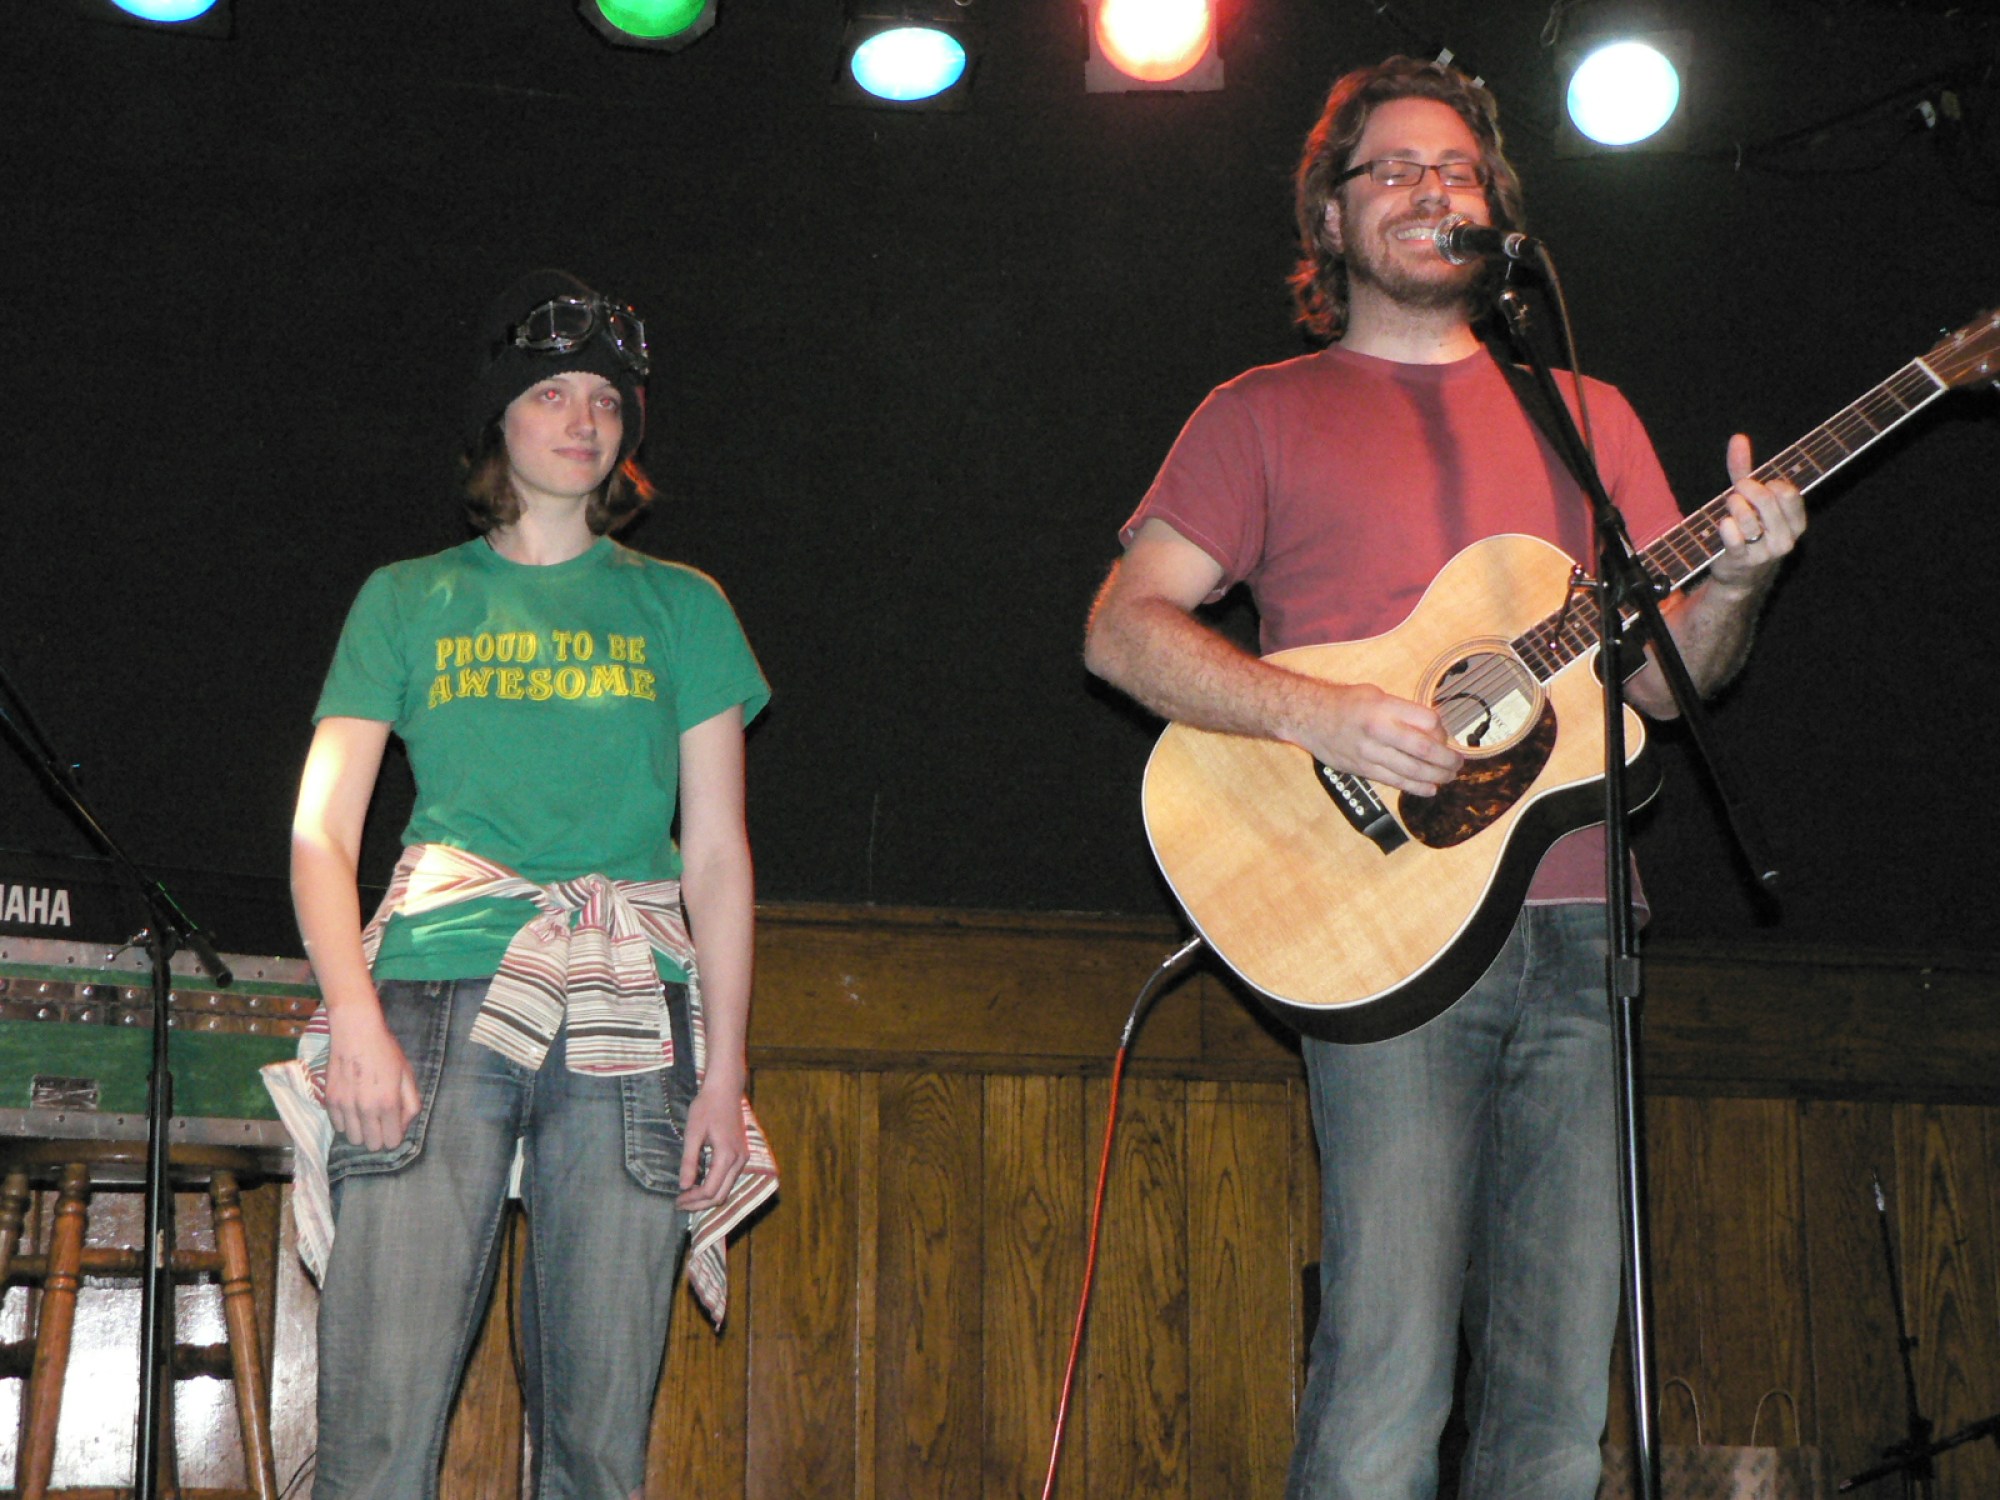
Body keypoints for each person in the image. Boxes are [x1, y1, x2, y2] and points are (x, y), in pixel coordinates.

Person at [1082, 58, 1806, 1500]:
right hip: (1385, 929)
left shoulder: (1585, 417)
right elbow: (1120, 630)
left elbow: (1667, 684)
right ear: (1331, 220)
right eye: (1396, 169)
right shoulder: (1262, 411)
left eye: (1458, 170)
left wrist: (1737, 584)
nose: (1432, 190)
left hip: (1588, 930)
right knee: (1386, 1380)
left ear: (1496, 215)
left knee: (1556, 1405)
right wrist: (1323, 719)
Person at [279, 269, 776, 1499]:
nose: (582, 418)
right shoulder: (408, 597)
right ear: (496, 418)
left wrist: (724, 1073)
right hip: (435, 991)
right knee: (379, 1425)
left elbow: (717, 853)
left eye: (606, 399)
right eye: (551, 393)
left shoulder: (682, 607)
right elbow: (321, 832)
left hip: (627, 1005)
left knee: (598, 1438)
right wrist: (352, 1018)